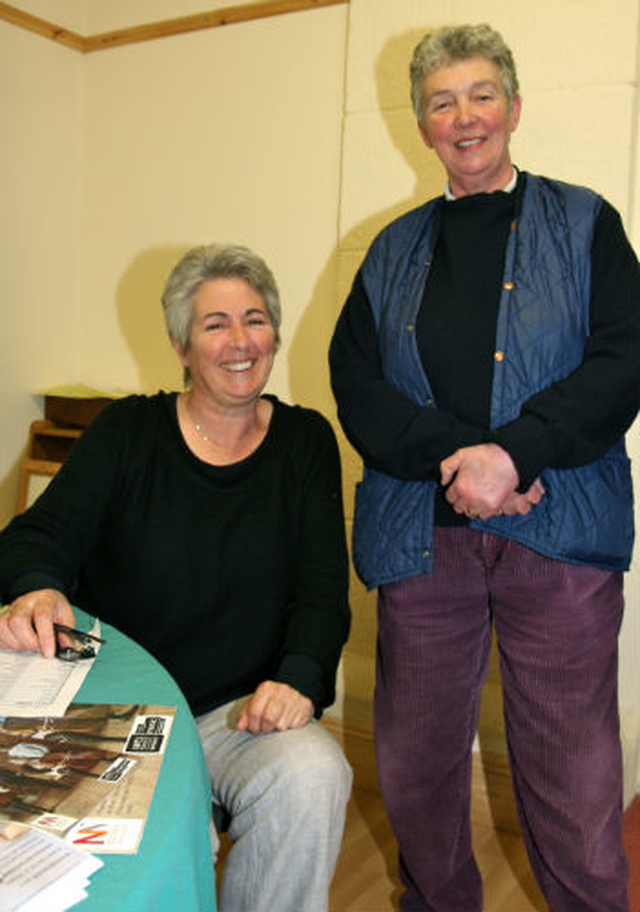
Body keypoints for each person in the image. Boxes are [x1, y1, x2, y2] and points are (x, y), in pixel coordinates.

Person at [329, 23, 639, 912]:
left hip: (560, 540)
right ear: (422, 126)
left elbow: (623, 360)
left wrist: (516, 454)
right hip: (424, 546)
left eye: (480, 96)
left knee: (572, 777)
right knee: (418, 767)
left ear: (512, 108)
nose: (463, 117)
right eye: (440, 102)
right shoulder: (390, 250)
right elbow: (356, 383)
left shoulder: (586, 223)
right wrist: (458, 461)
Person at [0, 243, 352, 912]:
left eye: (255, 318)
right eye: (215, 324)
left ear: (275, 332)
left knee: (314, 774)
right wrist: (40, 584)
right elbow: (35, 537)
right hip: (116, 712)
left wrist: (300, 677)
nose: (240, 340)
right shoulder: (127, 432)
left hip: (237, 714)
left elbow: (321, 593)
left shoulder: (306, 443)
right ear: (181, 345)